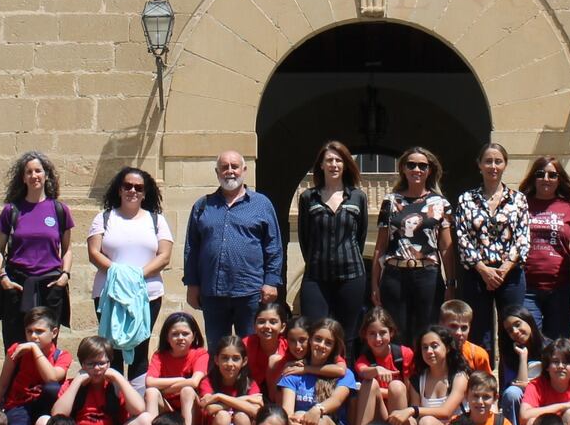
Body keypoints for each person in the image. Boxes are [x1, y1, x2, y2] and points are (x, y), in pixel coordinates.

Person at [184, 150, 282, 348]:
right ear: (217, 172)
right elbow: (192, 248)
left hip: (250, 292)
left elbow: (273, 245)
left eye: (234, 166)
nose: (230, 171)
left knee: (251, 349)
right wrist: (192, 283)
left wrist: (271, 281)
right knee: (217, 350)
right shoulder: (203, 206)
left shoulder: (261, 204)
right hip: (212, 292)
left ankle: (249, 381)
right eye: (224, 167)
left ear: (244, 170)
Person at [88, 165, 175, 377]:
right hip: (109, 293)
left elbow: (164, 255)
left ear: (145, 193)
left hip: (147, 294)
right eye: (127, 186)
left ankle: (136, 406)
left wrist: (137, 276)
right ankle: (115, 404)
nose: (132, 191)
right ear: (119, 189)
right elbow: (94, 253)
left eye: (138, 187)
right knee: (112, 351)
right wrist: (123, 275)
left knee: (139, 351)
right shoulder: (104, 218)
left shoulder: (156, 220)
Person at [453, 142, 530, 361]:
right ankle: (481, 385)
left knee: (513, 329)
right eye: (488, 161)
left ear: (505, 165)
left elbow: (523, 238)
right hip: (476, 274)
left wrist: (503, 270)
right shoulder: (466, 199)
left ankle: (512, 385)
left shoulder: (518, 200)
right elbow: (462, 237)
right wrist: (483, 270)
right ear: (479, 165)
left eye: (498, 161)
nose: (493, 166)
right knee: (479, 332)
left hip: (510, 274)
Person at [375, 145, 454, 346]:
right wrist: (374, 284)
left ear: (430, 170)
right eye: (411, 165)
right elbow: (381, 245)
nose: (416, 170)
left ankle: (422, 376)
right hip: (395, 275)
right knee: (396, 332)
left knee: (426, 332)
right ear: (403, 168)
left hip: (428, 274)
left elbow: (446, 246)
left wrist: (451, 283)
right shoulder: (391, 201)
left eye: (422, 166)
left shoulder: (440, 202)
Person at [0, 149, 73, 344]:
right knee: (15, 346)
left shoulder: (59, 210)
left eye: (38, 171)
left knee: (47, 347)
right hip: (17, 284)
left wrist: (64, 276)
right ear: (23, 177)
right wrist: (3, 277)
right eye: (29, 172)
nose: (34, 176)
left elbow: (67, 249)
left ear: (46, 175)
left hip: (49, 285)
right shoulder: (11, 210)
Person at [295, 140, 371, 343]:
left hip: (351, 275)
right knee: (314, 331)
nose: (334, 164)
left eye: (338, 160)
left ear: (345, 164)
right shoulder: (308, 197)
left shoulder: (358, 197)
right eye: (329, 160)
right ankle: (317, 375)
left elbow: (361, 236)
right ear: (321, 164)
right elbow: (304, 237)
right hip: (316, 276)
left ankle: (345, 373)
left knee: (346, 335)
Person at [519, 157, 570, 341]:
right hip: (527, 287)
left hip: (560, 289)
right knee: (530, 341)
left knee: (557, 345)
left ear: (559, 179)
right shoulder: (520, 205)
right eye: (540, 174)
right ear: (533, 177)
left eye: (552, 175)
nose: (546, 179)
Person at [0, 306, 70, 425]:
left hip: (47, 405)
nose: (34, 336)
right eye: (29, 331)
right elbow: (2, 385)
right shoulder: (17, 351)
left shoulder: (62, 356)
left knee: (52, 390)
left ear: (54, 333)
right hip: (19, 403)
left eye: (39, 332)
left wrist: (34, 350)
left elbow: (52, 377)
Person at [142, 311, 207, 425]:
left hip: (193, 410)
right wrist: (182, 380)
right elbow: (149, 382)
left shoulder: (200, 354)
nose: (180, 338)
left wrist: (165, 390)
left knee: (187, 390)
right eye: (175, 334)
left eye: (185, 333)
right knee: (151, 392)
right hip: (169, 408)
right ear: (167, 337)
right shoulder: (159, 356)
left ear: (194, 336)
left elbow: (194, 382)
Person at [407, 324, 469, 425]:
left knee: (426, 423)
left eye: (434, 346)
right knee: (408, 421)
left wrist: (412, 410)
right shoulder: (417, 380)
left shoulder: (459, 377)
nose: (429, 351)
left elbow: (445, 412)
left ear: (447, 348)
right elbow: (416, 419)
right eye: (425, 347)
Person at [198, 337, 261, 425]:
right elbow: (210, 409)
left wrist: (220, 397)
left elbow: (257, 411)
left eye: (235, 358)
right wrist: (246, 400)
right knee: (222, 416)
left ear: (244, 361)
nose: (230, 363)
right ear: (216, 360)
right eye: (225, 358)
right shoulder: (207, 382)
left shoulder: (250, 384)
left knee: (242, 417)